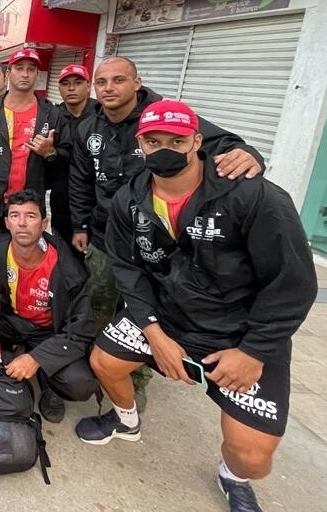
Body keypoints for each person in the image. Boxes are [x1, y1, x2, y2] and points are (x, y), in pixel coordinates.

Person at [75, 99, 316, 512]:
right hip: (167, 317)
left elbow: (293, 284)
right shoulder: (129, 201)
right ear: (141, 145)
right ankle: (125, 421)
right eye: (153, 140)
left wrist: (255, 351)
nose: (165, 147)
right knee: (105, 362)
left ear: (198, 141)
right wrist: (154, 333)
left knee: (254, 458)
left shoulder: (254, 196)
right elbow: (127, 269)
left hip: (239, 333)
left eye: (177, 139)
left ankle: (233, 477)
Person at [68, 56, 265, 411]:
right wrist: (80, 224)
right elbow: (80, 180)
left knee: (148, 309)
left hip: (154, 240)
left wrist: (247, 154)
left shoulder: (161, 114)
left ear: (136, 82)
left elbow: (222, 142)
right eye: (102, 82)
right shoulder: (88, 126)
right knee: (98, 302)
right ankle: (100, 362)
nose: (109, 88)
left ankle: (138, 377)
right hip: (103, 234)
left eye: (118, 80)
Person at [0, 190, 99, 423]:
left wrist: (37, 358)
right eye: (15, 216)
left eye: (31, 216)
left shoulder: (68, 268)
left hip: (49, 332)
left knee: (80, 384)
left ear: (43, 223)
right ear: (7, 223)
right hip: (8, 321)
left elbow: (80, 330)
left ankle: (48, 384)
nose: (22, 224)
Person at [0, 48, 69, 225]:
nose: (25, 74)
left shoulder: (52, 114)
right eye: (19, 68)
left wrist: (50, 153)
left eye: (31, 69)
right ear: (8, 73)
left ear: (37, 74)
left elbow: (67, 161)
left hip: (29, 209)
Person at [50, 63, 97, 245]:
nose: (71, 88)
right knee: (63, 252)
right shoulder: (54, 116)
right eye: (65, 83)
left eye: (77, 82)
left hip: (96, 201)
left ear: (88, 86)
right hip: (62, 198)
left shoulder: (101, 114)